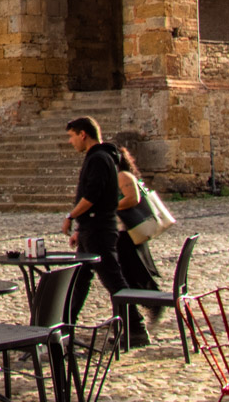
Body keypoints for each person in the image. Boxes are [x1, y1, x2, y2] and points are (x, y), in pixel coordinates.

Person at [62, 117, 147, 348]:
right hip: (93, 228)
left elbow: (92, 196)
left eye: (71, 136)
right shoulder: (102, 157)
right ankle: (65, 326)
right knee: (80, 280)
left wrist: (71, 216)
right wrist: (81, 228)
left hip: (99, 231)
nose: (70, 142)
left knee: (113, 281)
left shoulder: (99, 158)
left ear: (83, 134)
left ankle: (136, 329)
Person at [110, 144, 160, 303]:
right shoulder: (119, 175)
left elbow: (133, 198)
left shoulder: (123, 176)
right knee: (127, 272)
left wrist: (109, 207)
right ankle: (129, 310)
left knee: (132, 271)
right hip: (124, 230)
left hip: (127, 231)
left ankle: (154, 301)